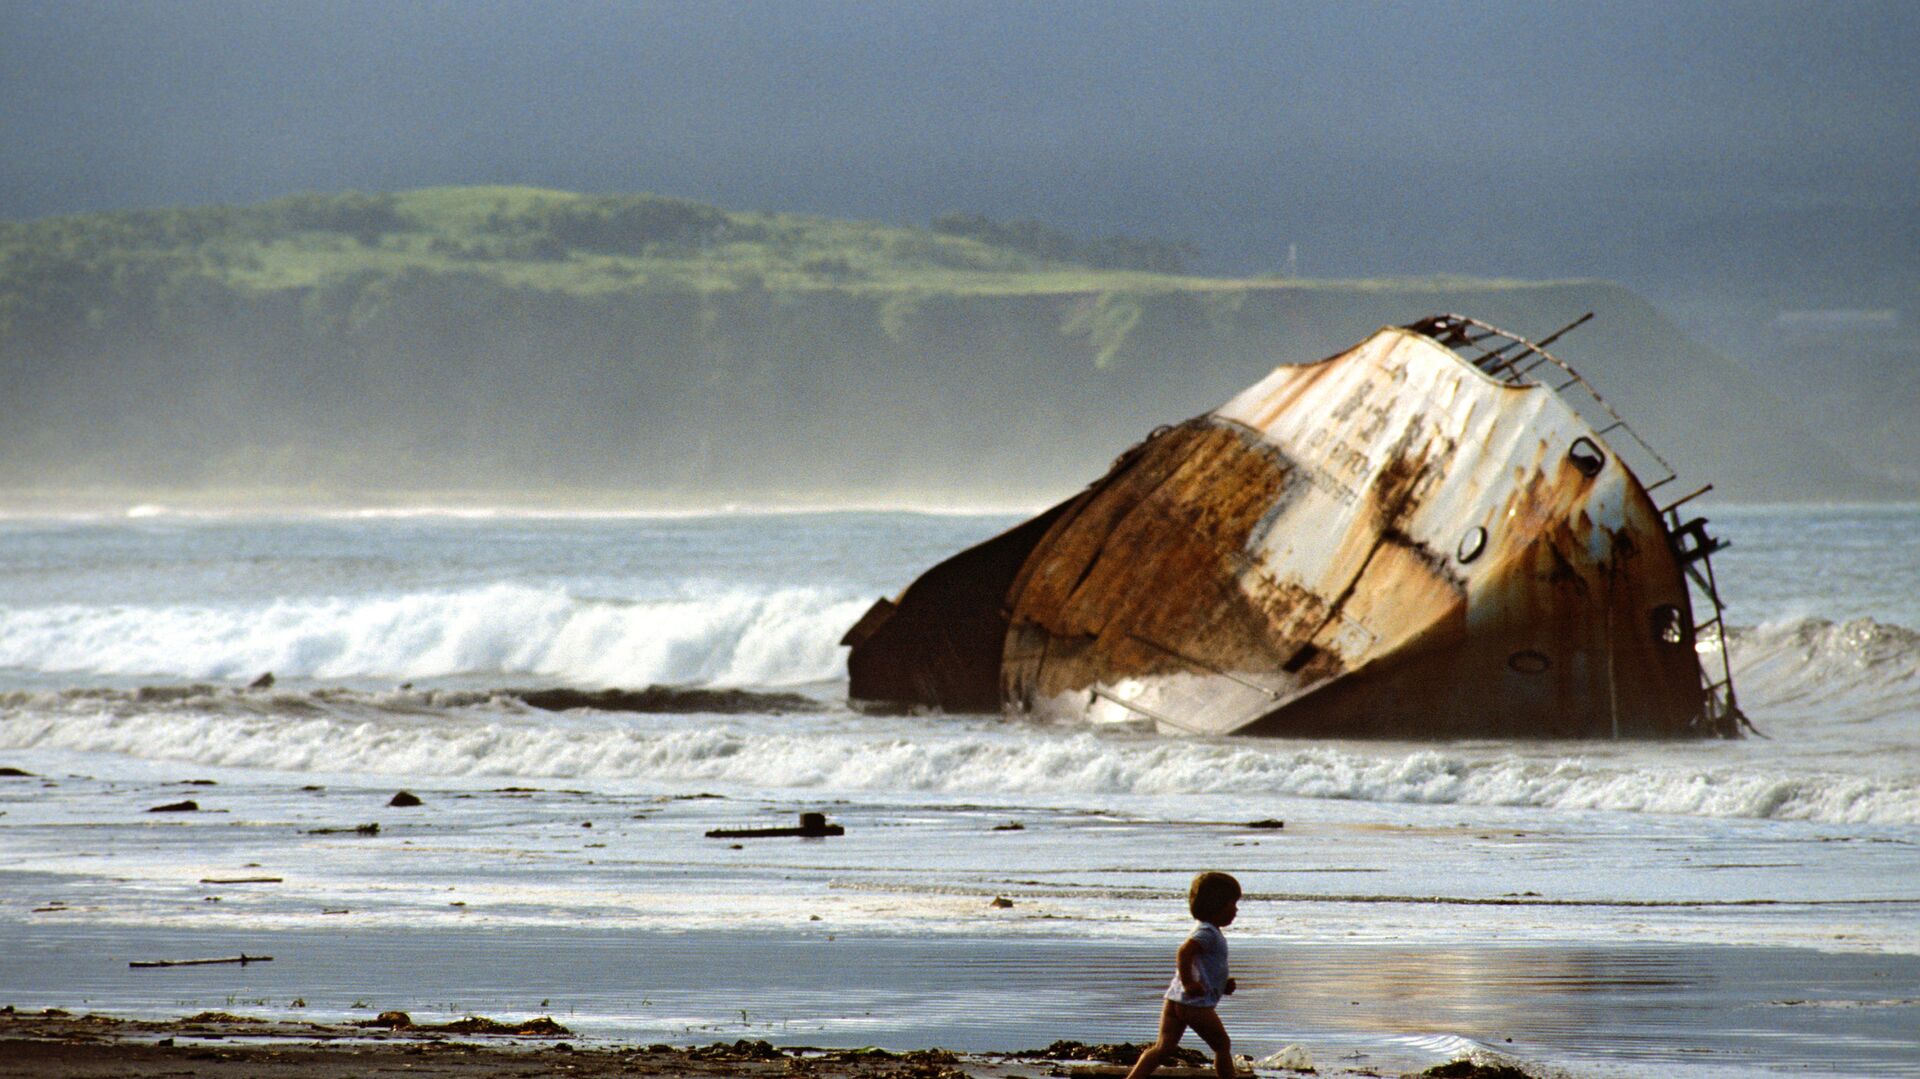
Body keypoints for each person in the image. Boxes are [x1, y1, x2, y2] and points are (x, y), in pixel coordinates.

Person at [1125, 871, 1241, 1079]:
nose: (1236, 909)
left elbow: (1203, 967)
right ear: (1217, 906)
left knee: (1163, 1047)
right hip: (1194, 1003)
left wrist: (1222, 984)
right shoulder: (1207, 933)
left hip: (1175, 999)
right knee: (1222, 1046)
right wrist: (1188, 983)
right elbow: (1184, 952)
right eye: (1232, 904)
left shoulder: (1207, 930)